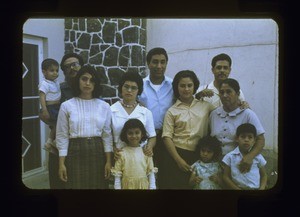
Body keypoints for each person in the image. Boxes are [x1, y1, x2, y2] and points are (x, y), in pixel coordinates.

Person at [56, 64, 113, 189]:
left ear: (96, 84)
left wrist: (108, 162)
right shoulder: (66, 106)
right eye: (84, 79)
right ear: (78, 81)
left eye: (92, 80)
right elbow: (62, 136)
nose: (88, 83)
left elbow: (107, 135)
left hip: (98, 152)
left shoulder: (104, 106)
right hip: (74, 152)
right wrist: (61, 164)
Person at [162, 70, 215, 189]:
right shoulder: (171, 111)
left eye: (189, 85)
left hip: (200, 155)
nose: (186, 89)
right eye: (182, 85)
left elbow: (223, 113)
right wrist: (178, 160)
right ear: (176, 87)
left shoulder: (205, 106)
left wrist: (242, 103)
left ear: (194, 86)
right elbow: (167, 137)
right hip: (176, 155)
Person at [39, 53, 84, 189]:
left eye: (75, 64)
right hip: (59, 145)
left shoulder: (91, 88)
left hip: (82, 145)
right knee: (59, 184)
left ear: (82, 66)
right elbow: (42, 113)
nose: (72, 68)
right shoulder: (59, 88)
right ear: (63, 71)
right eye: (67, 66)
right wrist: (57, 124)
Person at [209, 78, 265, 173]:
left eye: (229, 92)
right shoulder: (214, 114)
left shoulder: (248, 114)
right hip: (215, 163)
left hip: (239, 164)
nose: (225, 95)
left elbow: (260, 139)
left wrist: (249, 157)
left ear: (238, 94)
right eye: (221, 92)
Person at [138, 47, 175, 188]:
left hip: (168, 137)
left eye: (162, 62)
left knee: (166, 175)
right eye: (155, 62)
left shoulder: (173, 85)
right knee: (146, 174)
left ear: (166, 64)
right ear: (148, 64)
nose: (159, 66)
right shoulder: (140, 86)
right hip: (146, 139)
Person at [111, 71, 156, 158]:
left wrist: (148, 148)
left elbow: (152, 136)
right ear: (121, 88)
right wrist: (113, 149)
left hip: (140, 157)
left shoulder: (145, 112)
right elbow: (107, 137)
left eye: (133, 88)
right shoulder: (111, 110)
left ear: (138, 91)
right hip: (119, 157)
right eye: (126, 87)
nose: (129, 90)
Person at [111, 119, 157, 189]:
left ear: (142, 134)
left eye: (137, 132)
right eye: (130, 133)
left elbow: (151, 173)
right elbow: (117, 176)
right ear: (125, 135)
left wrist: (152, 187)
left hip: (143, 186)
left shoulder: (146, 152)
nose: (134, 136)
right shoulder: (121, 153)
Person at [222, 123, 267, 190]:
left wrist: (262, 188)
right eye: (243, 137)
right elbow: (225, 176)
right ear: (237, 139)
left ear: (254, 140)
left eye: (250, 137)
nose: (246, 140)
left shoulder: (258, 157)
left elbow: (264, 175)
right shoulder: (230, 157)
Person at [38, 58, 61, 152]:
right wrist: (44, 110)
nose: (55, 73)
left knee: (59, 124)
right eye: (52, 70)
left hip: (57, 107)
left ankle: (50, 142)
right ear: (44, 72)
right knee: (58, 124)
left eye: (57, 70)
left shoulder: (55, 82)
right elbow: (42, 96)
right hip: (50, 108)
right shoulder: (44, 84)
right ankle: (51, 142)